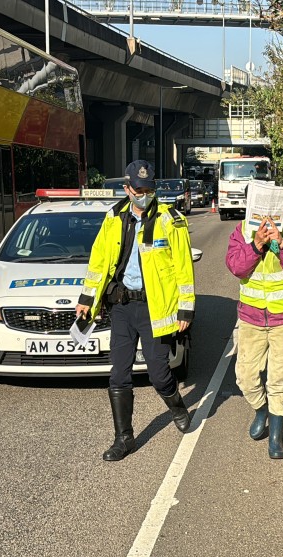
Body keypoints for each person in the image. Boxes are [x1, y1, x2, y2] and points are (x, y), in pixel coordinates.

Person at [76, 160, 196, 462]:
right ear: (127, 189)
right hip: (122, 307)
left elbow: (183, 266)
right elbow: (99, 263)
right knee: (118, 373)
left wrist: (186, 309)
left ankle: (177, 406)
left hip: (154, 308)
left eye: (149, 189)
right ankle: (124, 438)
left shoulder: (171, 219)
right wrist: (87, 299)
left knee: (158, 373)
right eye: (138, 189)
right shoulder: (114, 218)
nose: (144, 194)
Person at [226, 213, 283, 459]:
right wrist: (255, 245)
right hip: (251, 317)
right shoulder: (243, 229)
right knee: (245, 376)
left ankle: (276, 436)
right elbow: (235, 266)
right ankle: (261, 409)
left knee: (278, 379)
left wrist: (282, 245)